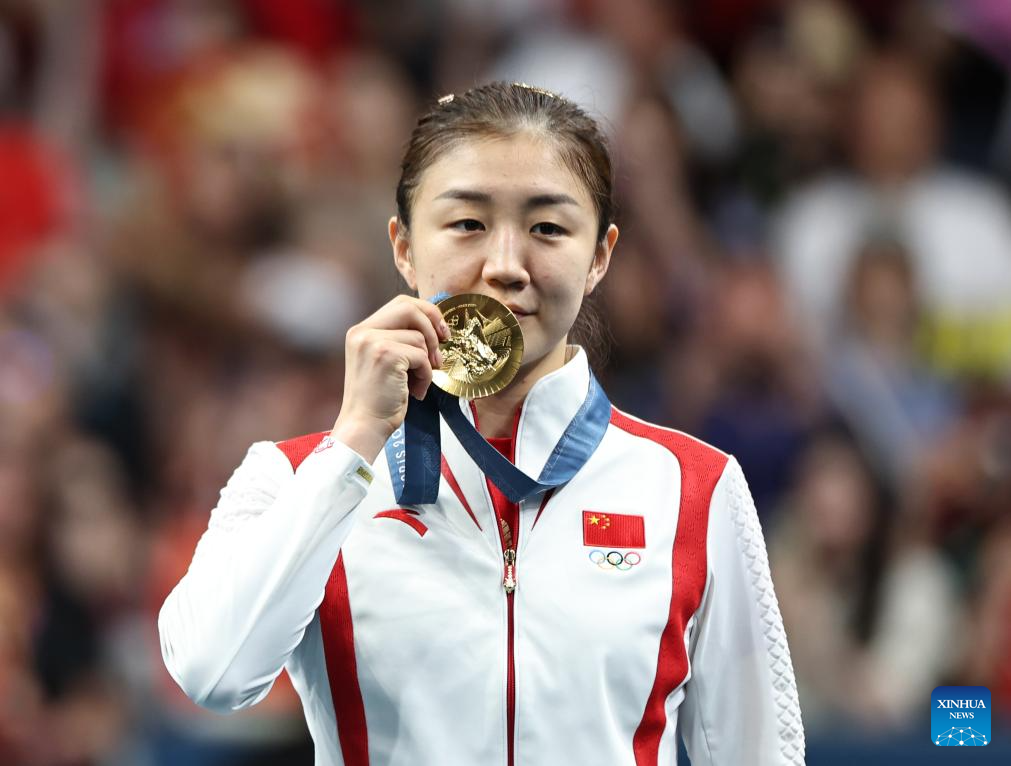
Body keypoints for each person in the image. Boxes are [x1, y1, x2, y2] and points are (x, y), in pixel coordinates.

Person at [158, 82, 804, 765]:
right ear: (403, 247)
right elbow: (212, 674)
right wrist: (351, 446)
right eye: (466, 224)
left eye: (548, 228)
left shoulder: (693, 490)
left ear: (599, 257)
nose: (504, 266)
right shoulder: (296, 478)